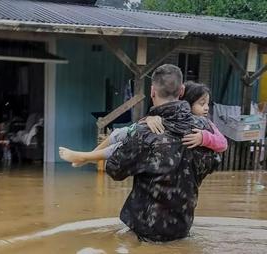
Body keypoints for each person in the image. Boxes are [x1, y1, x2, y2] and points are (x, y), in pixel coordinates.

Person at [104, 64, 221, 242]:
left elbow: (114, 170)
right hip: (183, 227)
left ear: (152, 91)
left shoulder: (144, 133)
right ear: (182, 90)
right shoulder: (204, 128)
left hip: (145, 230)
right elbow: (215, 161)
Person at [59, 81, 227, 167]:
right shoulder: (168, 114)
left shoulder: (205, 125)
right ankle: (90, 156)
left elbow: (223, 144)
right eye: (201, 103)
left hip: (170, 159)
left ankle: (87, 157)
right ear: (185, 101)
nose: (206, 108)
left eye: (207, 104)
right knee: (122, 132)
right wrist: (149, 119)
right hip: (162, 155)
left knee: (127, 143)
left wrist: (204, 138)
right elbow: (144, 124)